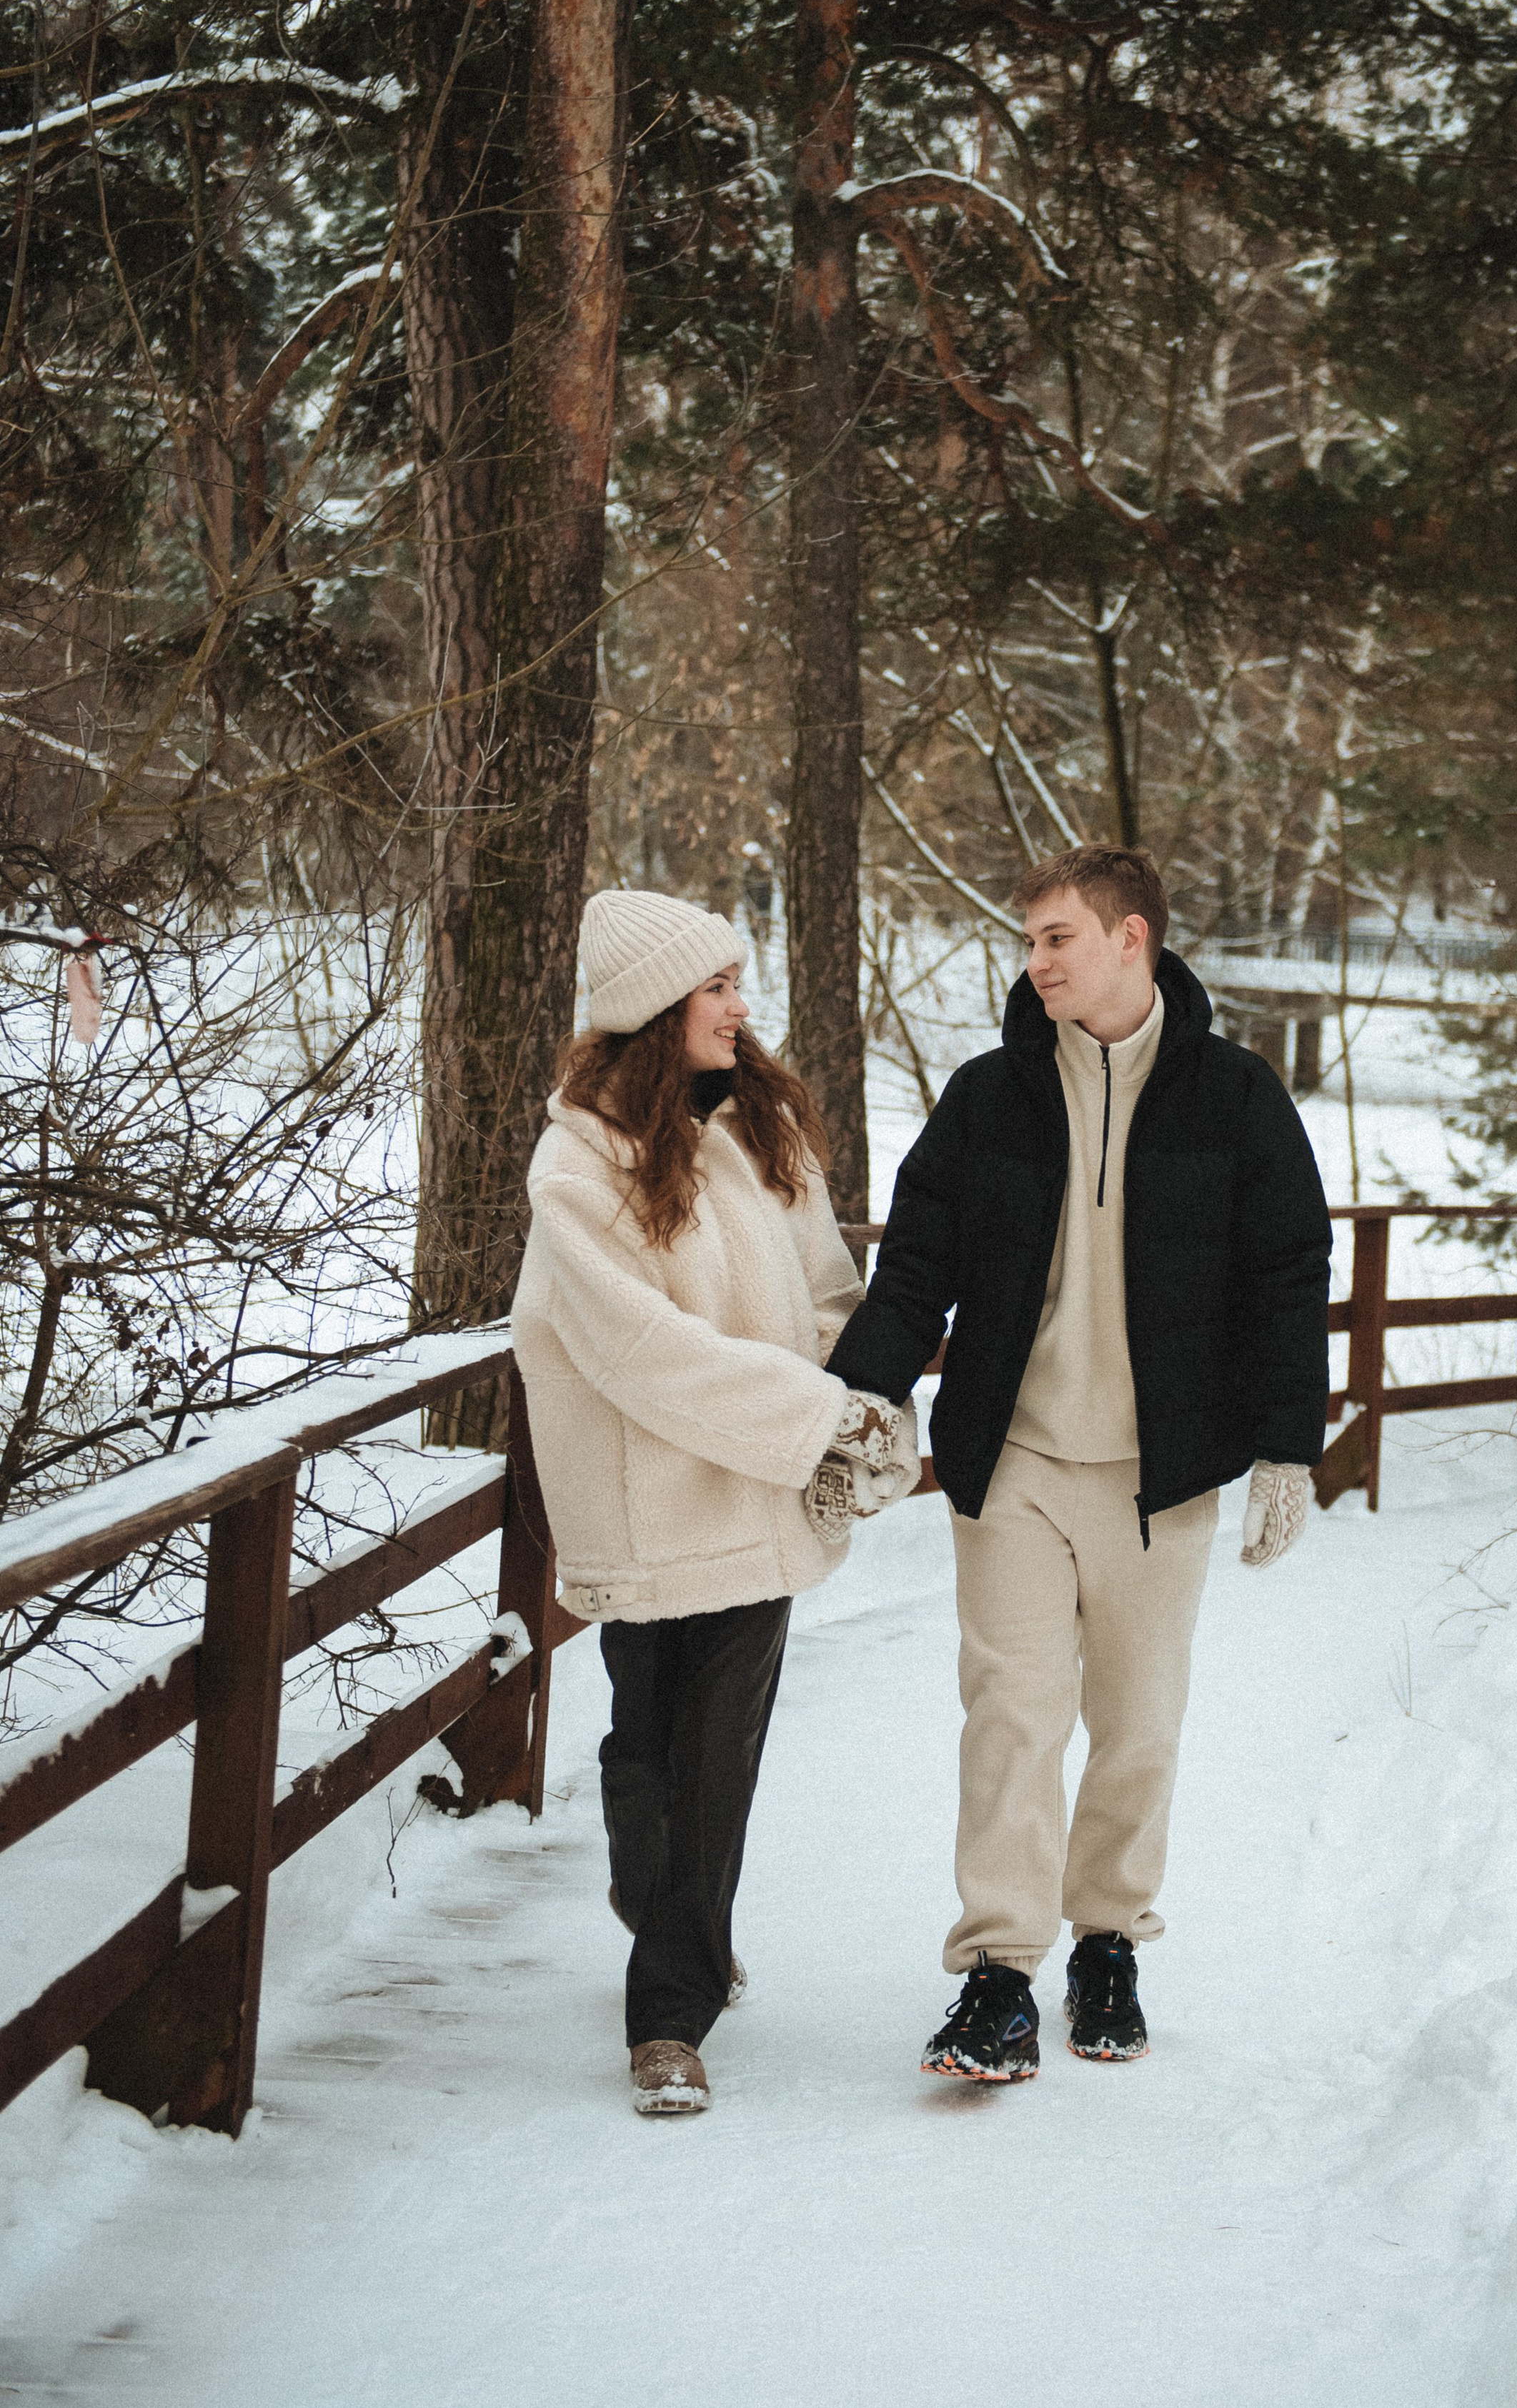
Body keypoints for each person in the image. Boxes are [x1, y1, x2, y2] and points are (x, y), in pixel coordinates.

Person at [827, 845, 1331, 2081]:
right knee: (1011, 1714)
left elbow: (1287, 1275)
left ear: (1130, 942)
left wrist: (1286, 1448)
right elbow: (915, 1270)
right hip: (1018, 1465)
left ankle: (1107, 1941)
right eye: (1030, 941)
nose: (1035, 961)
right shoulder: (990, 1096)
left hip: (1163, 1481)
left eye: (1057, 937)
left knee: (1138, 1724)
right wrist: (857, 1401)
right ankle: (999, 1975)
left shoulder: (1237, 1098)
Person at [512, 889, 916, 2116]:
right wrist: (812, 1421)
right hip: (644, 1509)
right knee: (647, 1742)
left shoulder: (753, 1140)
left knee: (715, 1758)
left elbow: (833, 1293)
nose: (743, 1008)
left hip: (753, 1500)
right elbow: (644, 1354)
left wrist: (862, 1411)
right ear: (654, 1009)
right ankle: (661, 1900)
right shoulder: (577, 1167)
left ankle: (668, 2019)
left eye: (740, 984)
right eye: (719, 988)